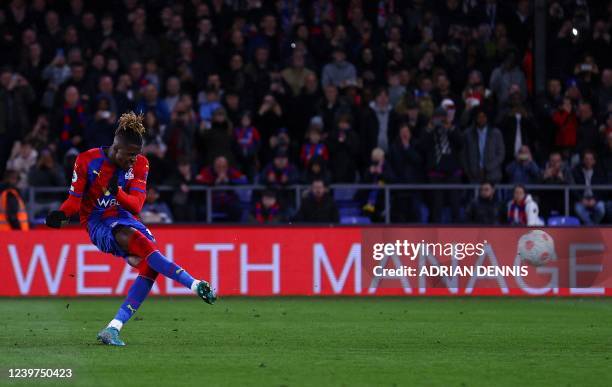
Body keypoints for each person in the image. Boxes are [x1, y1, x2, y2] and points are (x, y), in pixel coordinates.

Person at [44, 112, 216, 346]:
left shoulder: (141, 164)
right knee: (134, 240)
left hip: (124, 215)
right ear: (116, 148)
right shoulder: (87, 160)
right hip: (97, 222)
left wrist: (117, 193)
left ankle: (113, 328)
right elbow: (74, 201)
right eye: (130, 155)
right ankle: (195, 285)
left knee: (150, 264)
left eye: (137, 155)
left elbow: (136, 205)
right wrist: (61, 215)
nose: (134, 160)